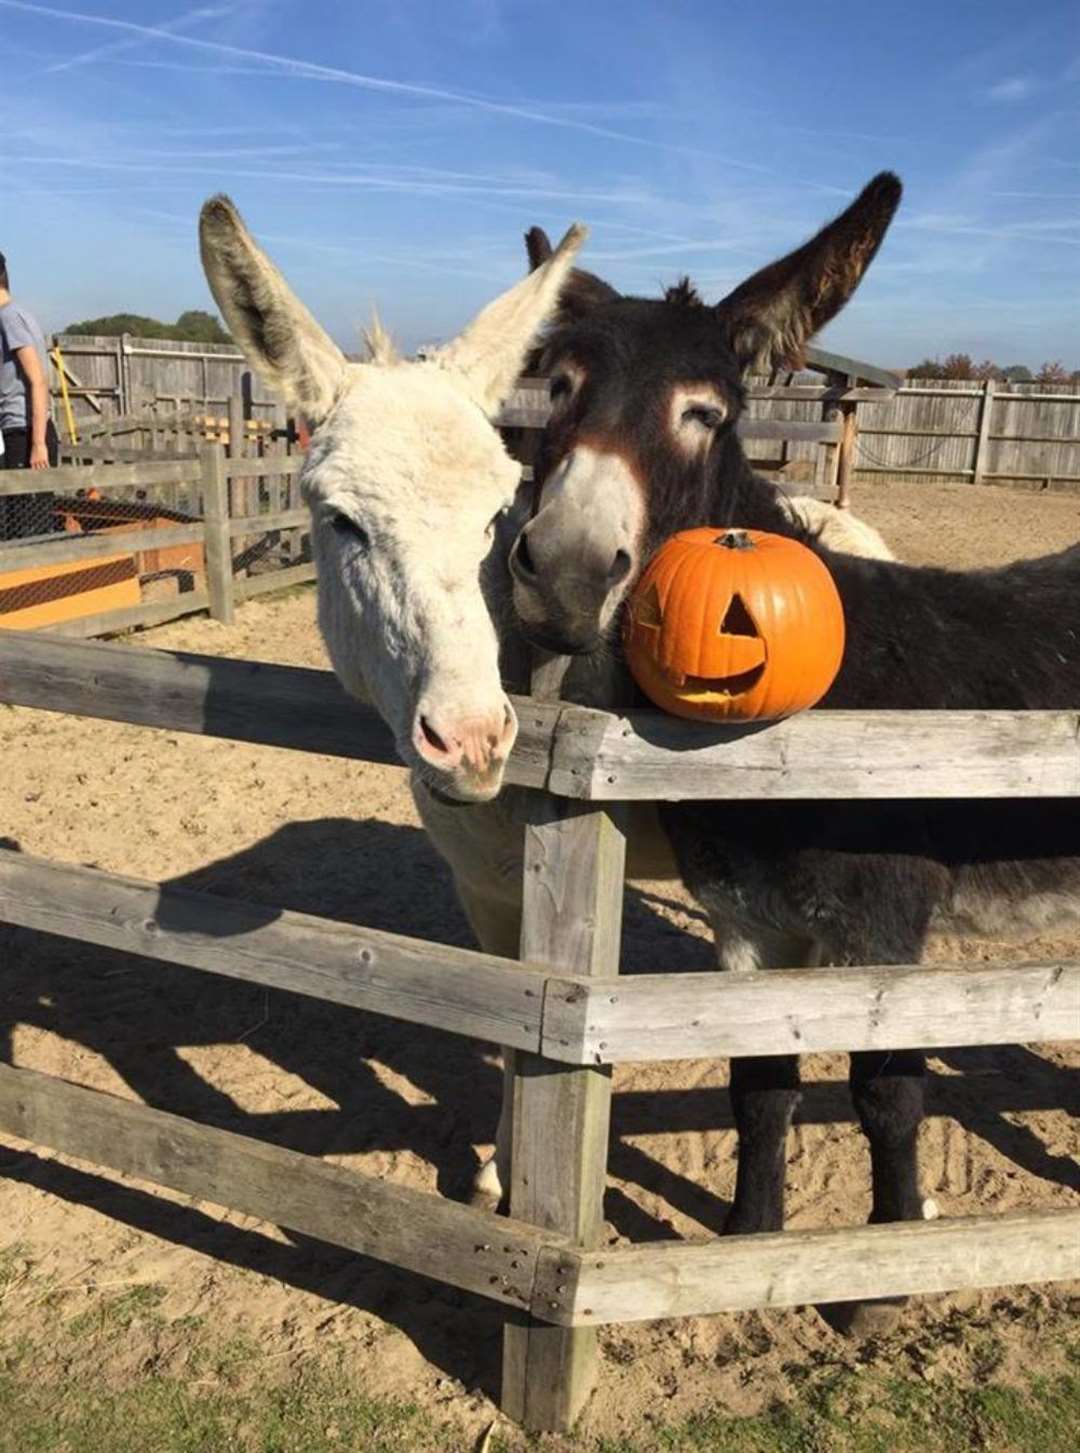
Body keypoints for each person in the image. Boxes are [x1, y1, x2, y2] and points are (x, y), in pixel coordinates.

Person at [0, 249, 59, 536]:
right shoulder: (21, 315)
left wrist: (38, 443)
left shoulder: (9, 318)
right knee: (23, 519)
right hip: (22, 431)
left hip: (25, 433)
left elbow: (37, 380)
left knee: (27, 525)